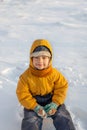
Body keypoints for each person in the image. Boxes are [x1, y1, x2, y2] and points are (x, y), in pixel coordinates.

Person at [16, 39, 76, 130]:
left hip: (52, 99)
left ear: (50, 59)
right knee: (31, 120)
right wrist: (34, 107)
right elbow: (22, 93)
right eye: (36, 57)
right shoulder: (25, 77)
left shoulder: (55, 74)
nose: (40, 61)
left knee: (62, 116)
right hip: (33, 102)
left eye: (44, 57)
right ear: (31, 59)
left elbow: (62, 87)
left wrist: (55, 103)